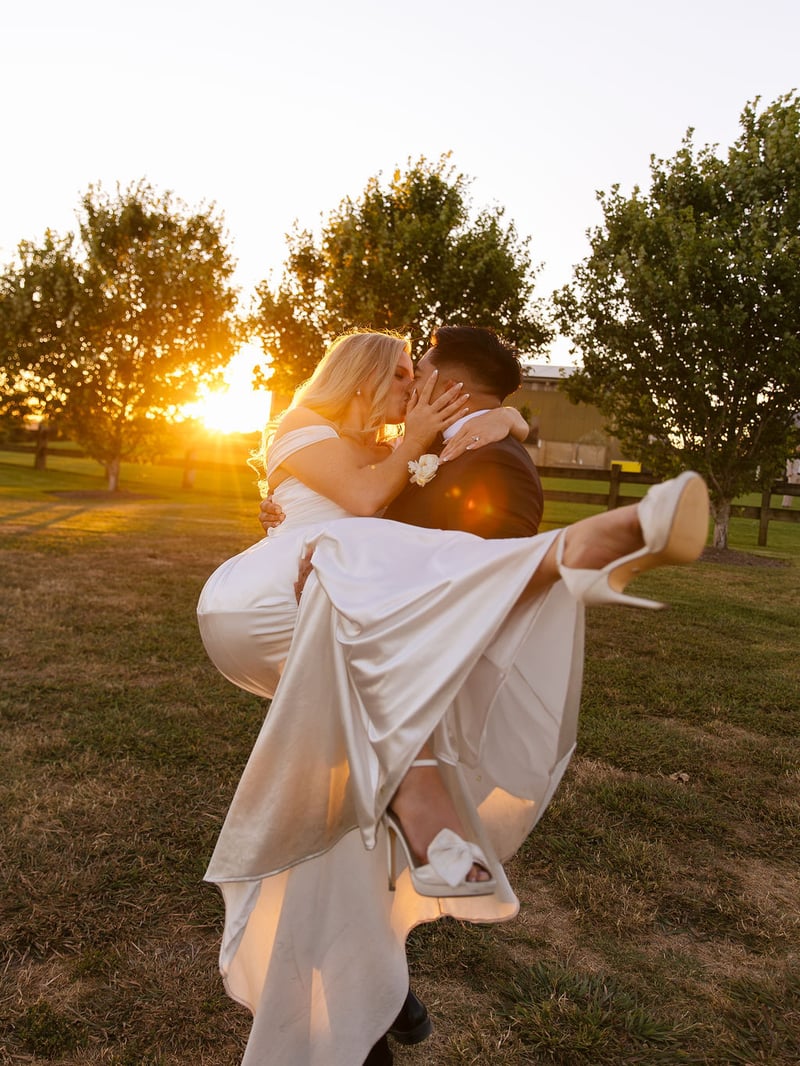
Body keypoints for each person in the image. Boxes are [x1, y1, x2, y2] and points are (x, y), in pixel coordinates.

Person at [197, 327, 710, 1066]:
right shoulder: (319, 430)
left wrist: (501, 421)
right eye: (404, 375)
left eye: (420, 372)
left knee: (330, 839)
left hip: (339, 633)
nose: (412, 388)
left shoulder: (436, 454)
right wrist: (426, 445)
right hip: (275, 603)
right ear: (366, 377)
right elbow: (374, 504)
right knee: (354, 554)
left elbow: (448, 503)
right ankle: (590, 547)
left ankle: (364, 1001)